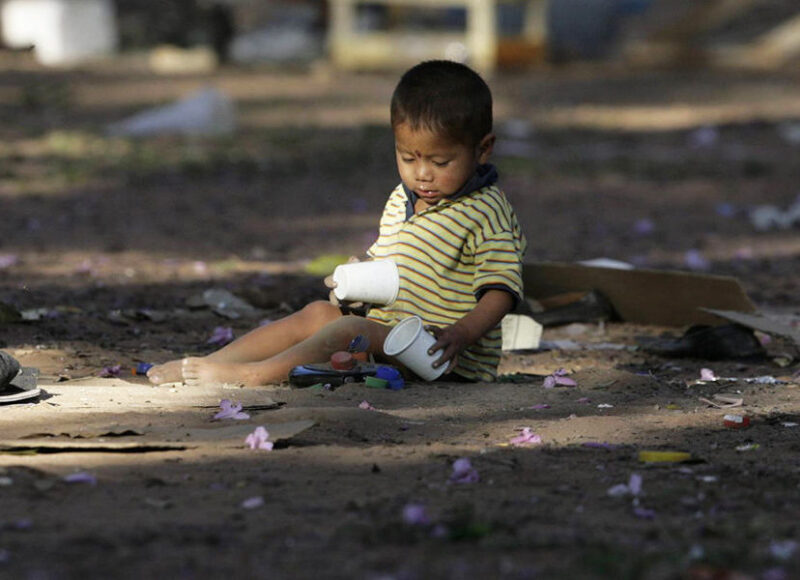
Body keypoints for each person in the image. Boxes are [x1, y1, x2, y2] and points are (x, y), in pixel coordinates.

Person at [147, 60, 527, 387]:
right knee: (319, 313)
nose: (422, 174)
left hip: (440, 357)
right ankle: (217, 361)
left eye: (441, 162)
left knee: (350, 331)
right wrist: (357, 286)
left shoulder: (485, 210)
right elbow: (393, 273)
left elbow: (501, 290)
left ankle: (255, 376)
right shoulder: (401, 199)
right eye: (408, 158)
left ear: (482, 149)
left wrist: (460, 335)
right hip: (387, 335)